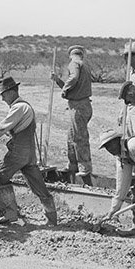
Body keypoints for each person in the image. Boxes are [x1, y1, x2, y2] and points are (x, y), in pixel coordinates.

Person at [0, 76, 58, 226]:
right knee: (39, 186)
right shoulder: (24, 107)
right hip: (29, 154)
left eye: (3, 95)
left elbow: (2, 128)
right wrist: (1, 130)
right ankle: (52, 219)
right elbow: (15, 128)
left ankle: (10, 213)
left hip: (18, 154)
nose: (3, 99)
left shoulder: (18, 107)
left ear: (12, 92)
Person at [51, 45, 94, 186]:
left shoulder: (74, 64)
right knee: (71, 137)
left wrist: (65, 89)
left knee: (79, 137)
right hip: (80, 104)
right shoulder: (84, 65)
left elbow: (73, 79)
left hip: (79, 106)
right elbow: (74, 86)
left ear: (71, 55)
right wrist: (58, 81)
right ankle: (73, 165)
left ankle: (85, 168)